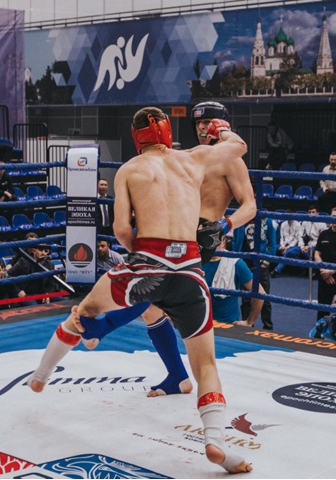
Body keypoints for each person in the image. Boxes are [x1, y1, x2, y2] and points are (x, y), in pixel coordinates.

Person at [28, 106, 252, 473]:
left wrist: (141, 256)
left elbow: (120, 230)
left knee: (84, 310)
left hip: (148, 263)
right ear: (167, 133)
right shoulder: (193, 158)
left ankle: (41, 376)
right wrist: (223, 130)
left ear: (136, 139)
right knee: (206, 364)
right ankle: (216, 442)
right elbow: (239, 146)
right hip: (191, 267)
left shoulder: (129, 169)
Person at [202, 236, 265, 326]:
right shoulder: (195, 261)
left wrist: (249, 322)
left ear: (223, 242)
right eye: (210, 240)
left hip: (227, 324)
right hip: (199, 322)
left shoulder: (235, 263)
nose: (213, 245)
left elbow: (260, 293)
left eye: (216, 241)